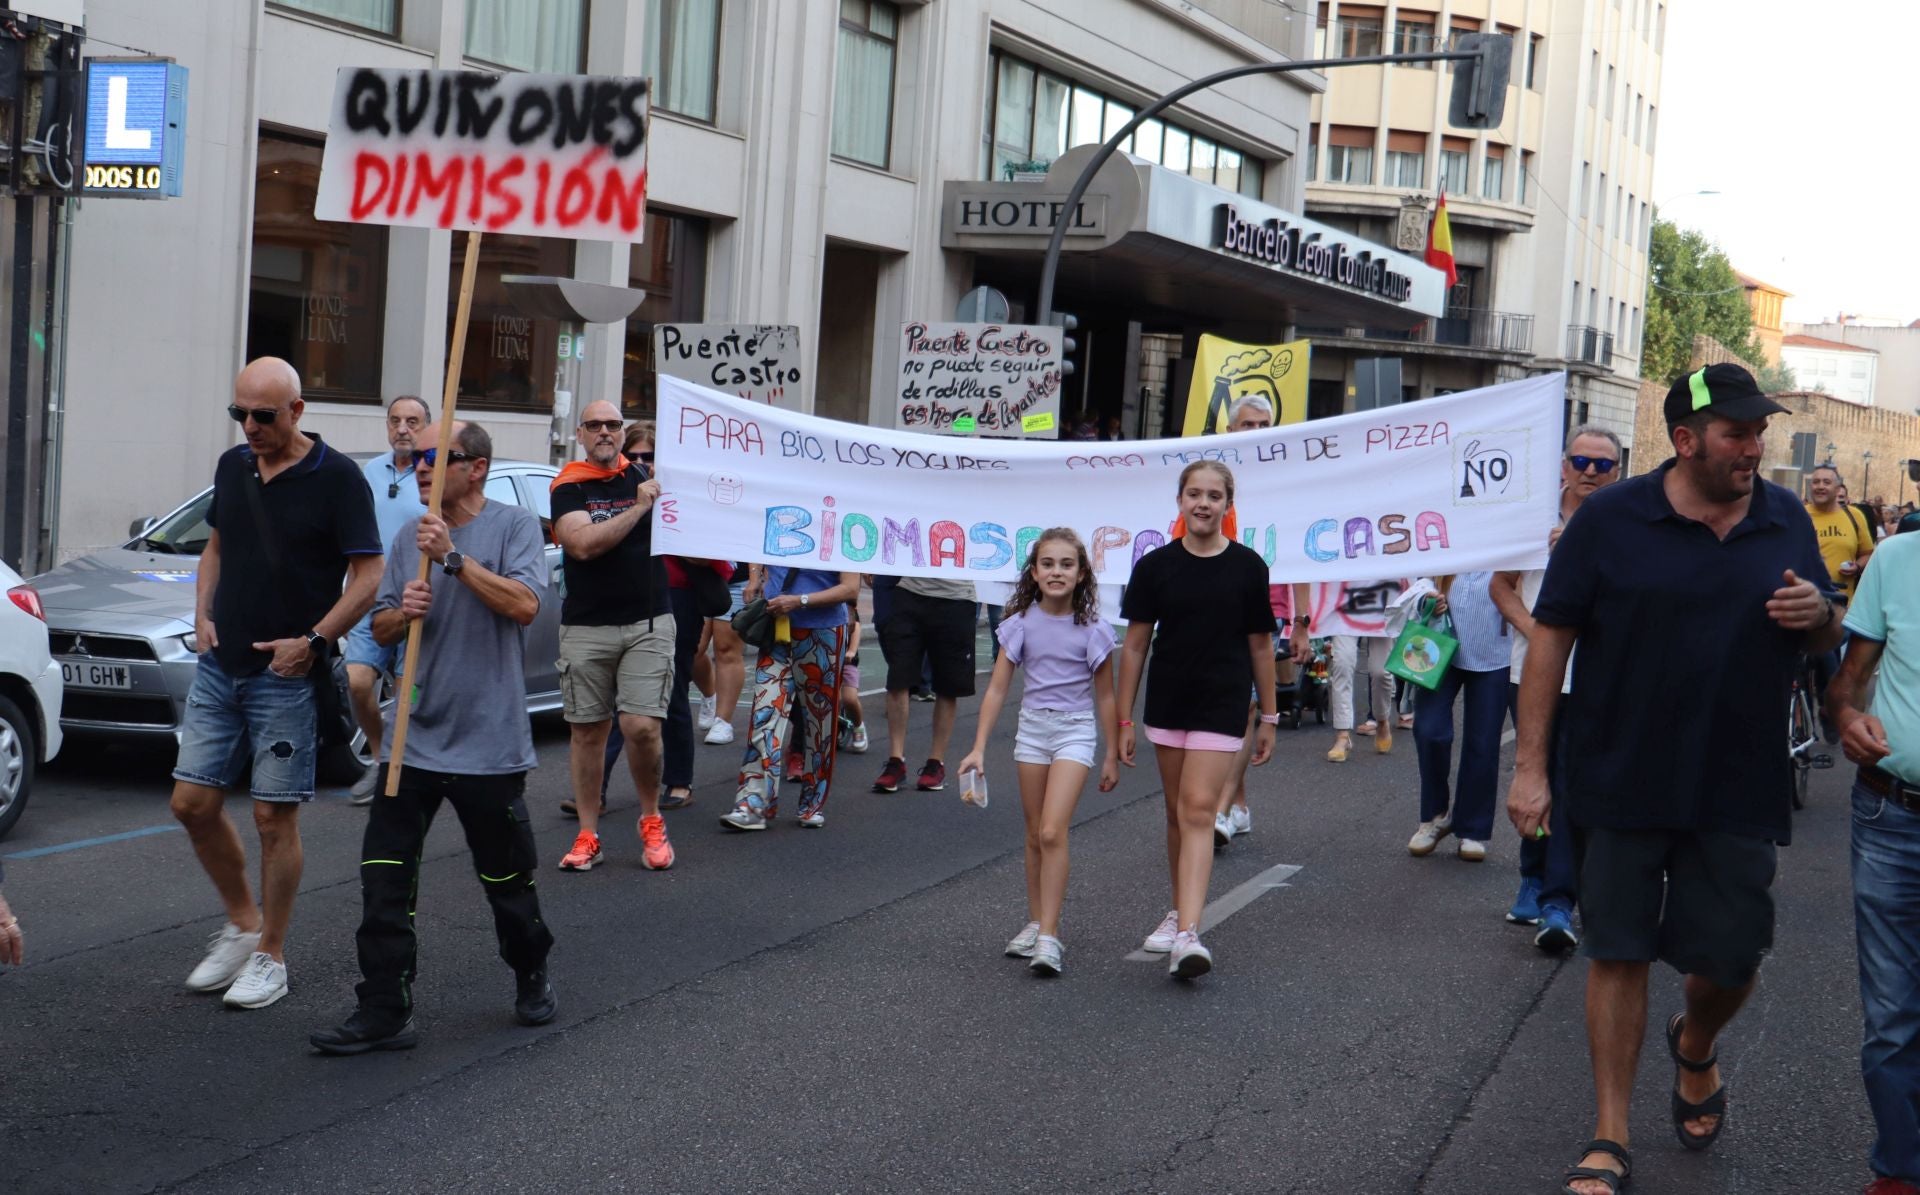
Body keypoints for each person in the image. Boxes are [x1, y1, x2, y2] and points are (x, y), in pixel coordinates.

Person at [1509, 363, 1841, 1195]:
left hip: (1738, 778)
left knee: (1731, 956)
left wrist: (1820, 620)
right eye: (1736, 432)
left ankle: (1694, 1043)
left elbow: (1825, 628)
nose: (1754, 446)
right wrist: (1530, 767)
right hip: (1619, 772)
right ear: (1686, 439)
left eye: (1759, 431)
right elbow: (1551, 639)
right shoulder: (1613, 519)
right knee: (1617, 949)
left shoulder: (1784, 516)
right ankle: (1610, 1131)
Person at [310, 420, 556, 1054]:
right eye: (413, 456)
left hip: (488, 741)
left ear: (475, 467)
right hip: (410, 740)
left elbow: (526, 605)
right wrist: (401, 613)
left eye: (432, 456)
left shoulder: (513, 527)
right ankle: (384, 1007)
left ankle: (530, 970)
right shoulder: (406, 538)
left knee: (507, 880)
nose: (417, 465)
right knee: (384, 876)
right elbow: (384, 627)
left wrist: (454, 559)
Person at [168, 358, 382, 1009]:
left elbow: (369, 574)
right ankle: (241, 923)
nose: (251, 427)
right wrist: (202, 612)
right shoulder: (234, 467)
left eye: (264, 415)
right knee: (191, 804)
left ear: (297, 412)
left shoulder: (339, 478)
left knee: (272, 817)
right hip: (219, 665)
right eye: (241, 414)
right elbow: (216, 546)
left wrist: (314, 640)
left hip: (286, 676)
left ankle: (272, 954)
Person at [1117, 461, 1279, 979]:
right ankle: (1178, 909)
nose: (1203, 503)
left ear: (1229, 504)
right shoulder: (1155, 566)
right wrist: (1123, 720)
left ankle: (1188, 933)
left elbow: (1261, 645)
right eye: (1194, 494)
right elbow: (1136, 645)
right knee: (1175, 813)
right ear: (1180, 501)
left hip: (1222, 702)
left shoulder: (1249, 567)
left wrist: (1270, 715)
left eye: (1214, 495)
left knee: (1198, 811)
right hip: (1168, 703)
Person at [959, 530, 1120, 976]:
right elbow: (997, 689)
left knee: (1052, 831)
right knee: (1033, 833)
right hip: (1032, 731)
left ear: (1082, 573)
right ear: (1034, 572)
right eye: (1048, 563)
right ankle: (1035, 921)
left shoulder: (1093, 630)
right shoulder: (1019, 624)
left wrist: (1109, 754)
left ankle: (1050, 936)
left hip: (1074, 731)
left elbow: (1106, 697)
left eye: (1066, 564)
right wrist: (977, 748)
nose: (1056, 571)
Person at [1489, 424, 1622, 951]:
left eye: (1603, 465)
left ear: (1616, 471)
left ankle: (1557, 897)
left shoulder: (1626, 524)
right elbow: (1501, 585)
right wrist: (1538, 633)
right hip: (1535, 673)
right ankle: (1533, 875)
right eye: (1581, 461)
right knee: (1536, 773)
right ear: (1563, 466)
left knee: (1570, 781)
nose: (1591, 472)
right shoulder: (1533, 519)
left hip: (1597, 673)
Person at [1826, 538, 1920, 1195]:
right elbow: (1850, 682)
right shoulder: (1896, 560)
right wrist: (1848, 718)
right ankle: (1900, 1171)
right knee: (1892, 1016)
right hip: (1894, 817)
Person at [550, 400, 676, 873]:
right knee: (587, 733)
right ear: (580, 433)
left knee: (641, 727)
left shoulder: (645, 478)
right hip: (586, 625)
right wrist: (639, 509)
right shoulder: (569, 485)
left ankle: (651, 818)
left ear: (622, 432)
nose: (605, 432)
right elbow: (582, 545)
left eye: (613, 425)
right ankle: (588, 834)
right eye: (595, 425)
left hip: (648, 622)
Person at [719, 566, 859, 830]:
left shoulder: (841, 526)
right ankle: (753, 802)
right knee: (764, 712)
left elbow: (850, 588)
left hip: (824, 631)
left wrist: (799, 601)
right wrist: (755, 576)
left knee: (819, 722)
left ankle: (812, 802)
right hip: (777, 629)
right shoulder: (775, 524)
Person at [345, 396, 430, 804]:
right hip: (371, 598)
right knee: (358, 682)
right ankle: (381, 759)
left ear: (426, 426)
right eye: (395, 420)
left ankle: (400, 774)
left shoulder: (434, 473)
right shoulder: (371, 471)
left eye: (412, 421)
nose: (402, 429)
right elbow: (356, 538)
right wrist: (347, 598)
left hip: (415, 601)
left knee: (403, 700)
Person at [1212, 394, 1285, 848]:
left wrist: (1302, 619)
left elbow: (1307, 549)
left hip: (1266, 609)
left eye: (1265, 425)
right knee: (1223, 712)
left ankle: (1219, 809)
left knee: (1246, 707)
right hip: (1213, 607)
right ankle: (1237, 806)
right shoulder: (1211, 481)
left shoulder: (1286, 482)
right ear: (1231, 431)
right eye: (1248, 425)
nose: (1256, 433)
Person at [1405, 571, 1510, 863]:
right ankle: (1435, 816)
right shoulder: (1450, 526)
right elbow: (1421, 571)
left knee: (1484, 741)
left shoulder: (1513, 530)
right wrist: (1425, 596)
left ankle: (1472, 828)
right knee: (1429, 730)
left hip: (1496, 653)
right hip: (1439, 645)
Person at [873, 570, 979, 794]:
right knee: (897, 679)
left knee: (948, 686)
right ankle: (895, 760)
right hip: (910, 591)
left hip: (958, 598)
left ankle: (935, 762)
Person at [697, 563, 752, 746]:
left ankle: (723, 721)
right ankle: (709, 694)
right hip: (695, 575)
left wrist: (755, 576)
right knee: (692, 648)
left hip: (737, 578)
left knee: (726, 648)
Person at [838, 612, 870, 754]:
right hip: (825, 661)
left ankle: (858, 726)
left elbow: (855, 624)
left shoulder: (847, 607)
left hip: (846, 663)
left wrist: (851, 650)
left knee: (849, 699)